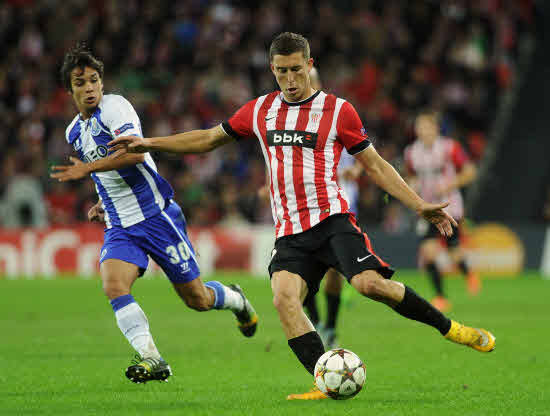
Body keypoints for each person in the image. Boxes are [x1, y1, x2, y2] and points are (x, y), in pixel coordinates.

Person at [109, 32, 496, 400]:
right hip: (291, 233)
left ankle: (453, 330)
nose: (290, 79)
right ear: (272, 69)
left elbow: (375, 165)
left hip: (332, 222)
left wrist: (418, 204)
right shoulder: (260, 110)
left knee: (368, 285)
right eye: (282, 71)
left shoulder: (338, 110)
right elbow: (209, 138)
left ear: (310, 64)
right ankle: (323, 380)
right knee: (283, 298)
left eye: (297, 69)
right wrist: (148, 142)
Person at [50, 43, 258, 384]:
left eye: (93, 80)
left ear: (102, 82)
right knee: (114, 285)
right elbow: (109, 173)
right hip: (120, 225)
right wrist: (102, 202)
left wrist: (87, 170)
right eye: (80, 82)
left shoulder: (115, 109)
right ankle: (152, 357)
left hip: (156, 217)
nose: (88, 88)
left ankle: (236, 299)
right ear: (69, 89)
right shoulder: (74, 131)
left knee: (198, 299)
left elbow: (134, 154)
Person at [301, 67, 362, 349]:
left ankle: (331, 326)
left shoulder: (337, 114)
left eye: (311, 81)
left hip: (338, 204)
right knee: (306, 270)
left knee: (335, 272)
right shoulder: (290, 120)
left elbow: (362, 156)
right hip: (301, 207)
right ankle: (316, 321)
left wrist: (355, 172)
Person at [405, 112, 481, 312]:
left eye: (427, 127)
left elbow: (470, 172)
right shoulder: (411, 152)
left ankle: (468, 272)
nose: (423, 131)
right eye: (419, 128)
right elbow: (412, 176)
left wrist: (449, 185)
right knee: (429, 253)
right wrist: (411, 188)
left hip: (449, 206)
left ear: (436, 128)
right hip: (427, 208)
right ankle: (440, 297)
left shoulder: (449, 147)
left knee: (453, 252)